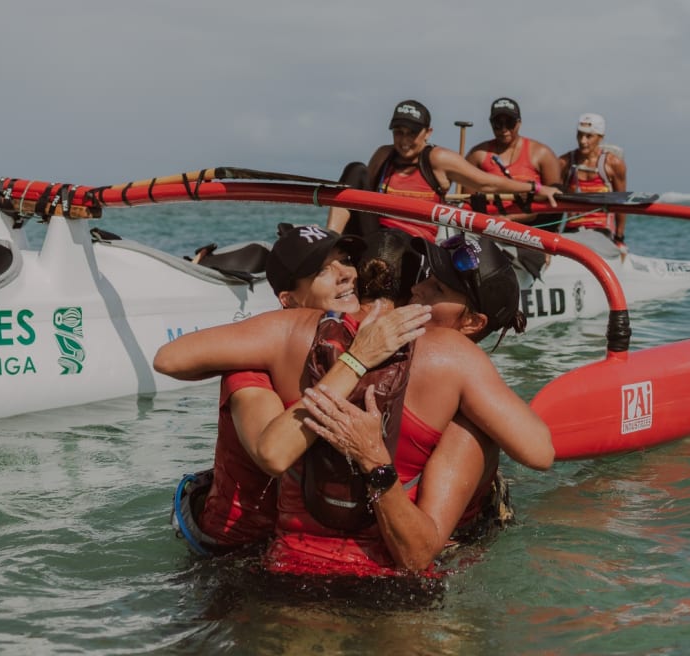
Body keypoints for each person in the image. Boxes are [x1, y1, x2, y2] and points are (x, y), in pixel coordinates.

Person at [154, 233, 552, 576]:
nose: (420, 289)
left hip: (264, 562)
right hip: (398, 574)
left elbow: (169, 360)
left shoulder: (278, 339)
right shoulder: (458, 367)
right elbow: (539, 452)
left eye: (438, 288)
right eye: (425, 278)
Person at [171, 223, 426, 557]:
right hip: (232, 548)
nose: (346, 274)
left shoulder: (371, 344)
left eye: (346, 260)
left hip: (299, 540)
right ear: (288, 300)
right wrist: (358, 359)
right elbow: (274, 455)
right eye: (322, 270)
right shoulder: (254, 362)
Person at [326, 99, 560, 241]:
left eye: (412, 133)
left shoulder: (438, 158)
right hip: (376, 234)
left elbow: (486, 183)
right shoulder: (384, 154)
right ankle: (330, 241)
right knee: (355, 170)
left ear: (428, 133)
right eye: (399, 132)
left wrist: (535, 187)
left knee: (393, 242)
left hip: (413, 242)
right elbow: (360, 202)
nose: (404, 140)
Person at [558, 113, 628, 246]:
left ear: (600, 137)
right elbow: (554, 202)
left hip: (601, 232)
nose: (583, 141)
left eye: (589, 136)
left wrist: (619, 240)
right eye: (580, 135)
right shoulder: (564, 163)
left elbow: (621, 205)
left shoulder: (614, 164)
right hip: (571, 231)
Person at [465, 97, 562, 193]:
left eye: (510, 123)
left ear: (519, 123)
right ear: (491, 124)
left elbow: (556, 197)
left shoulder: (542, 154)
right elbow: (466, 200)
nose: (504, 129)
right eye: (498, 124)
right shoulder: (477, 155)